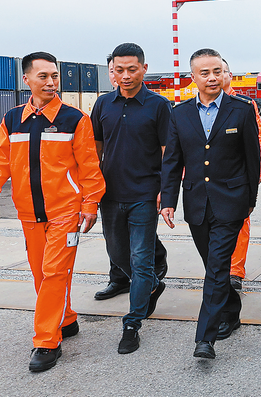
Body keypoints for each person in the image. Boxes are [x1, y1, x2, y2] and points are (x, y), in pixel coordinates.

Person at [0, 51, 105, 372]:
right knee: (40, 273)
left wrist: (90, 204)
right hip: (29, 213)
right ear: (27, 80)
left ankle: (47, 341)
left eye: (55, 76)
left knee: (54, 272)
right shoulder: (12, 120)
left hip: (66, 213)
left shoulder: (75, 119)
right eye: (43, 76)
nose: (51, 82)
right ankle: (66, 319)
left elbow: (90, 168)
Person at [160, 48, 261, 360]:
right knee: (213, 266)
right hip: (197, 203)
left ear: (224, 73)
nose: (212, 77)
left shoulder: (241, 109)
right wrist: (168, 200)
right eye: (205, 73)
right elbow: (172, 160)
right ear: (194, 77)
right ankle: (231, 309)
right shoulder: (179, 113)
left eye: (217, 71)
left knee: (217, 267)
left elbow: (252, 158)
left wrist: (250, 200)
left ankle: (205, 338)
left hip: (231, 202)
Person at [91, 43, 171, 354]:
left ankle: (132, 323)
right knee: (118, 253)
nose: (125, 76)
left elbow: (167, 153)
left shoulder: (158, 105)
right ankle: (152, 284)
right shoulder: (103, 104)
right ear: (113, 71)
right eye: (119, 70)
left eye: (132, 69)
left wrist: (165, 190)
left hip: (144, 195)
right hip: (110, 195)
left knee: (140, 259)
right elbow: (95, 150)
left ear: (144, 69)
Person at [221, 58, 261, 291]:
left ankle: (235, 272)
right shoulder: (194, 106)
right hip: (209, 177)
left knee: (240, 225)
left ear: (229, 75)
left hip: (238, 176)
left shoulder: (246, 105)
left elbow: (258, 140)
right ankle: (217, 270)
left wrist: (258, 171)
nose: (216, 77)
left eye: (221, 71)